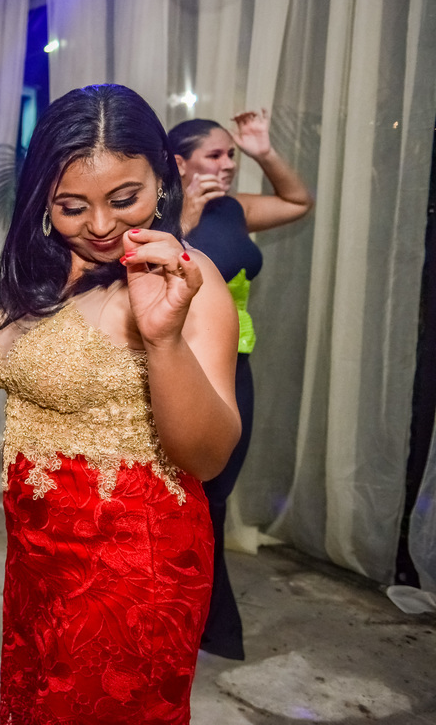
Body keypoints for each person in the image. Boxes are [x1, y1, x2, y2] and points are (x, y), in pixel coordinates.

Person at [0, 84, 240, 724]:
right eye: (73, 206)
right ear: (45, 201)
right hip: (39, 558)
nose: (101, 226)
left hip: (132, 571)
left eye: (124, 200)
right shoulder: (49, 273)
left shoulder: (187, 277)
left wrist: (162, 342)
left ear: (163, 178)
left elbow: (207, 456)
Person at [168, 110, 314, 661]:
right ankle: (191, 616)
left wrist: (264, 151)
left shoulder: (234, 209)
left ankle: (205, 615)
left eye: (232, 155)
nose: (227, 165)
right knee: (186, 496)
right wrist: (182, 218)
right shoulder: (156, 209)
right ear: (179, 162)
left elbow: (298, 202)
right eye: (216, 155)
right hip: (179, 366)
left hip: (235, 370)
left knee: (214, 497)